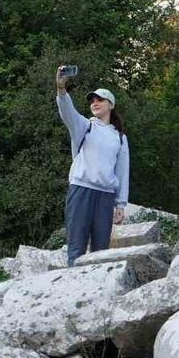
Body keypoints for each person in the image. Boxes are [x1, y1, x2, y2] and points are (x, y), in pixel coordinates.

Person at [55, 68, 129, 266]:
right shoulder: (84, 126)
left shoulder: (120, 137)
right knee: (76, 248)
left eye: (100, 100)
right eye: (92, 100)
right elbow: (68, 112)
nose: (94, 103)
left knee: (101, 252)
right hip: (81, 191)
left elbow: (122, 170)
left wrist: (121, 204)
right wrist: (61, 90)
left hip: (105, 196)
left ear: (110, 105)